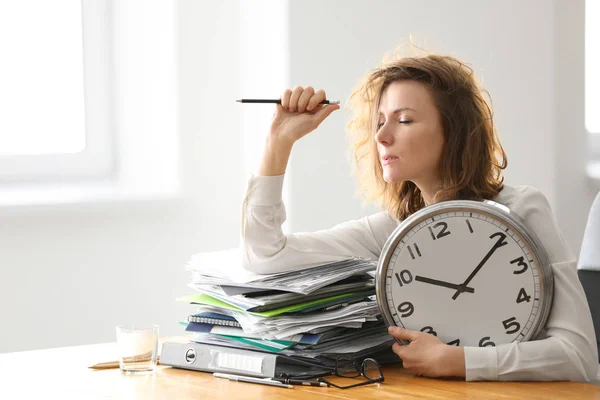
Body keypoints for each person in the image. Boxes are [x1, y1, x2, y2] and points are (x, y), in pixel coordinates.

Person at [240, 48, 599, 382]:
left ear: (452, 130)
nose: (381, 136)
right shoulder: (395, 231)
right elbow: (265, 255)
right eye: (379, 121)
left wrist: (458, 361)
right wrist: (278, 142)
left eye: (404, 120)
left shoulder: (521, 211)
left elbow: (579, 356)